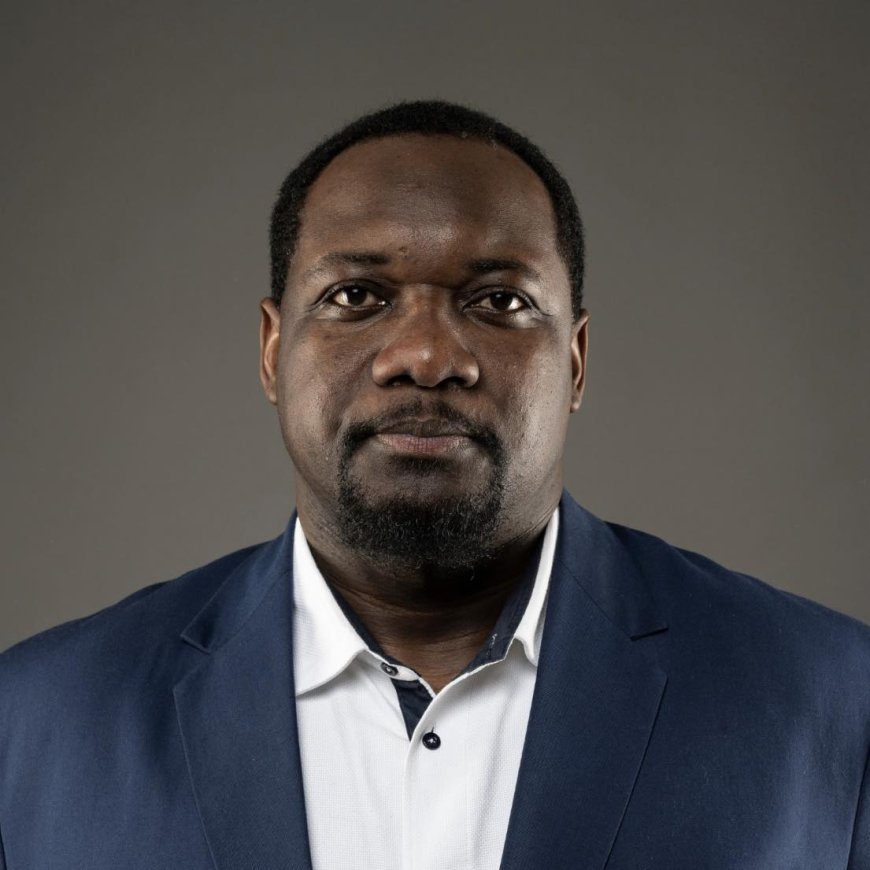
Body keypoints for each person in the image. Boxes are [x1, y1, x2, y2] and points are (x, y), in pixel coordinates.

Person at [0, 100, 867, 870]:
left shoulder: (833, 703)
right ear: (272, 349)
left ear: (574, 361)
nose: (425, 356)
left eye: (499, 302)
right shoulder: (34, 722)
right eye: (356, 295)